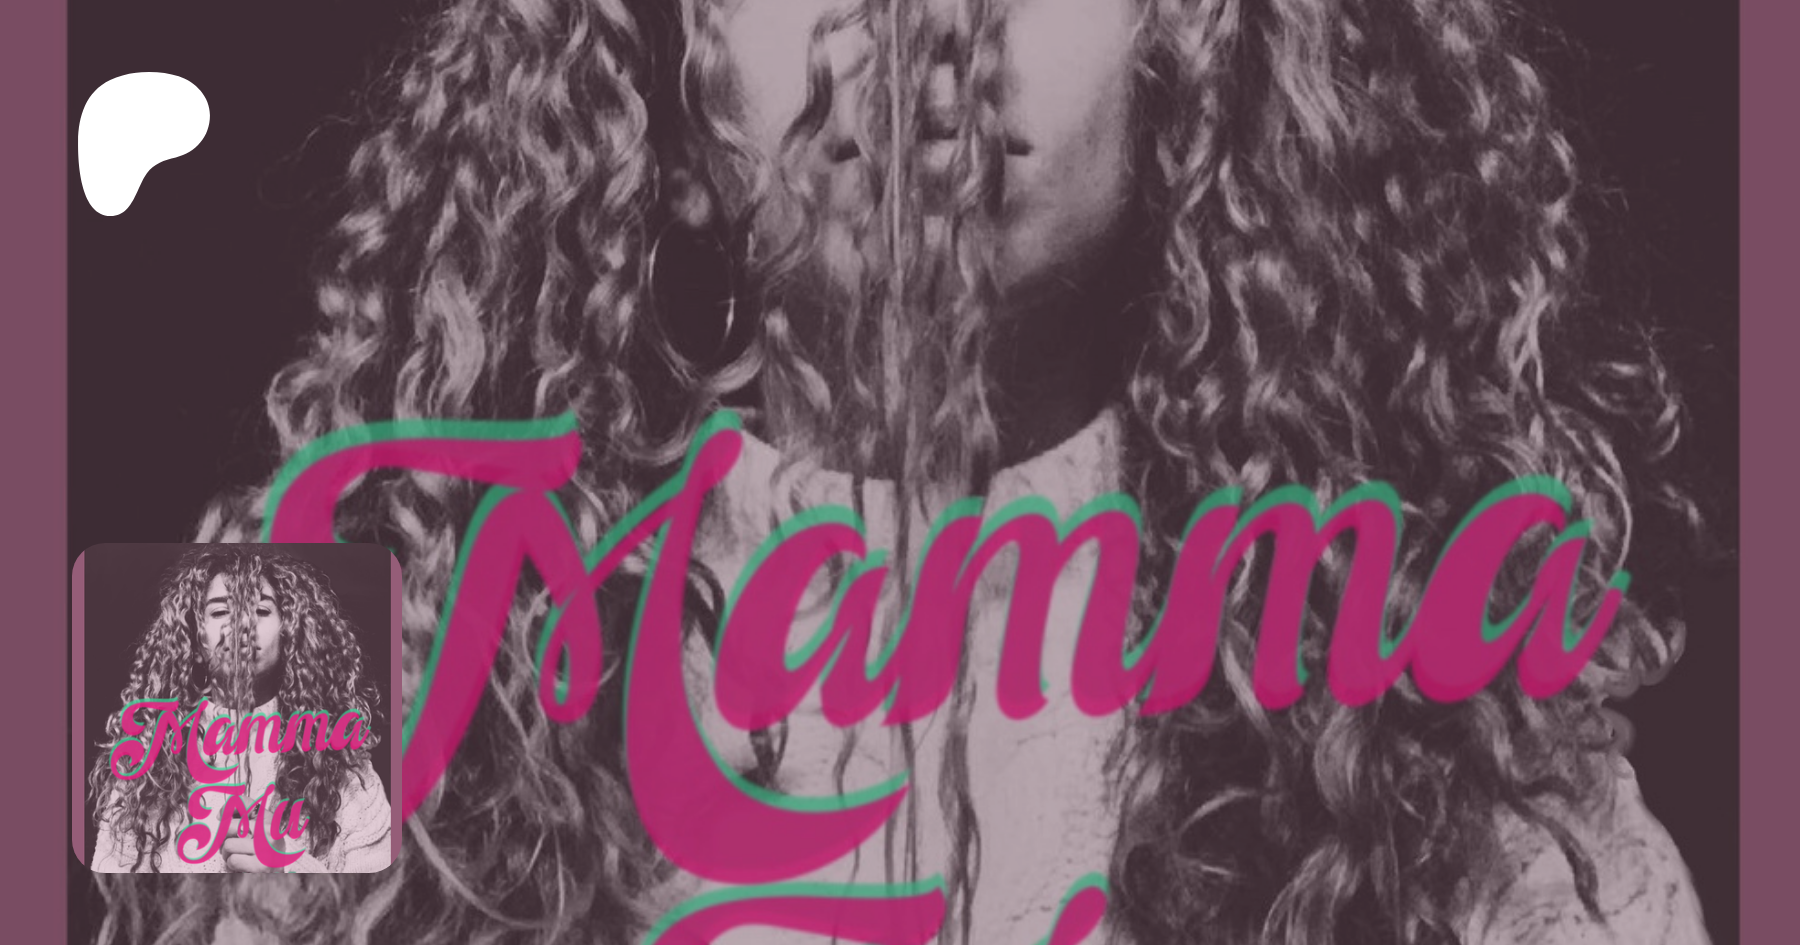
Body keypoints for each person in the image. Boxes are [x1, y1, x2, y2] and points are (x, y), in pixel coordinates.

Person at [89, 0, 1711, 942]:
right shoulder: (272, 636)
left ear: (1209, 56)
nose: (925, 27)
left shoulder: (1456, 716)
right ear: (653, 68)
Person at [87, 547, 391, 876]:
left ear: (290, 635)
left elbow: (377, 891)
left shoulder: (341, 763)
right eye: (220, 612)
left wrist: (290, 868)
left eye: (260, 610)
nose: (242, 624)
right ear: (194, 642)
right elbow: (111, 883)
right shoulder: (147, 762)